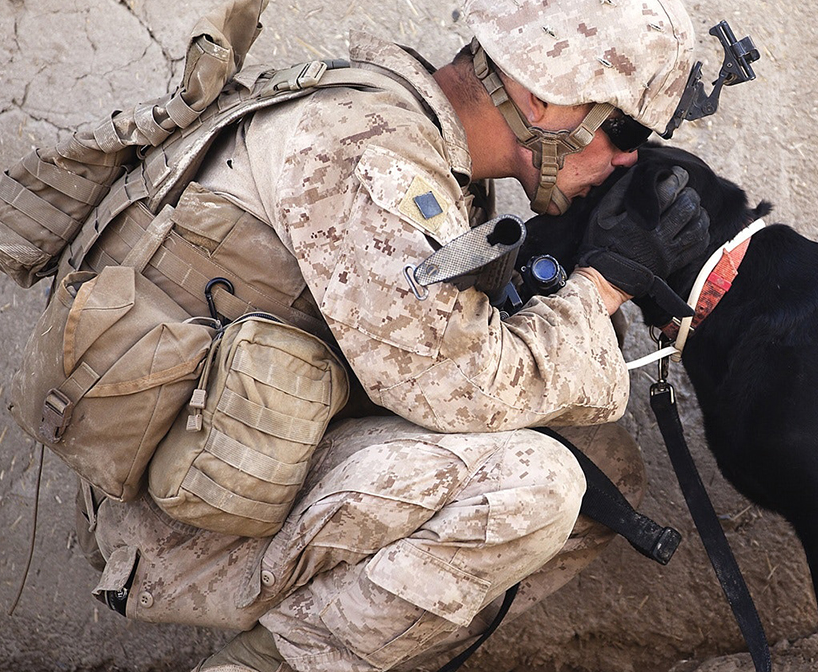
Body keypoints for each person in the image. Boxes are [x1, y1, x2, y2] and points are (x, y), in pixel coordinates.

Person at [77, 0, 726, 670]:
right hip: (181, 522)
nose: (626, 161)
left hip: (248, 462)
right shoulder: (367, 153)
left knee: (603, 470)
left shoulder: (422, 147)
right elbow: (461, 387)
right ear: (541, 96)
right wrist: (603, 287)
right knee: (536, 484)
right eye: (621, 131)